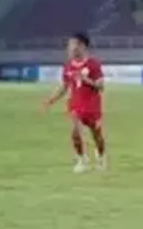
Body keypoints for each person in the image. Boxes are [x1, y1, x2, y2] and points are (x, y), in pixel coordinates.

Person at [42, 33, 107, 172]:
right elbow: (64, 86)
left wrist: (85, 80)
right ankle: (81, 159)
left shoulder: (93, 64)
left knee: (97, 135)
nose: (70, 48)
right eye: (69, 45)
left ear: (82, 46)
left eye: (73, 45)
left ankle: (101, 157)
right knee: (75, 132)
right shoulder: (68, 66)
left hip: (92, 106)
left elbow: (101, 86)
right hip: (75, 105)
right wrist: (51, 100)